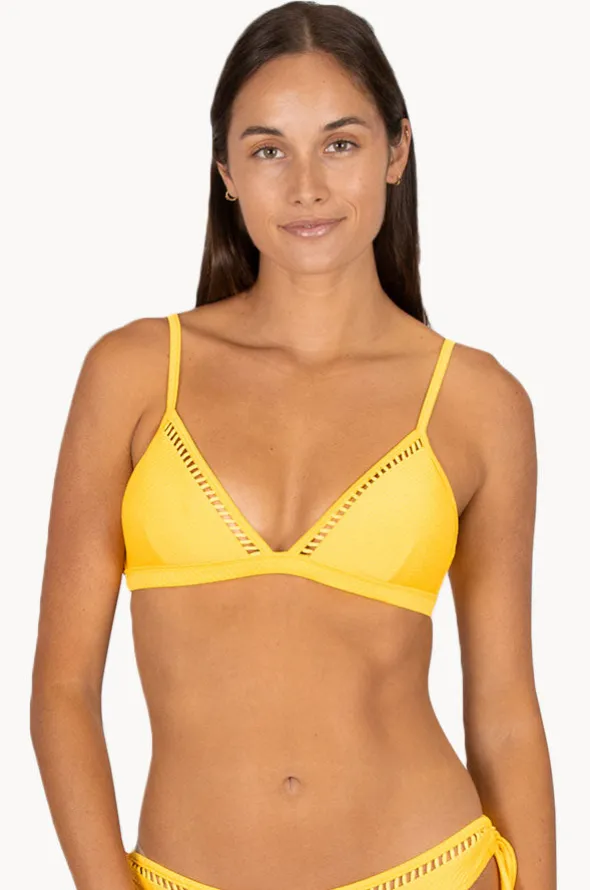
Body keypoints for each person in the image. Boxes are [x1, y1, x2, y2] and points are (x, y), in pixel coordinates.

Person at [30, 3, 556, 890]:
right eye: (269, 149)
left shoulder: (478, 402)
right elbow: (62, 693)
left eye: (341, 144)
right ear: (226, 172)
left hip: (433, 868)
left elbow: (505, 713)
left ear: (397, 152)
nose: (307, 186)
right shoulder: (134, 374)